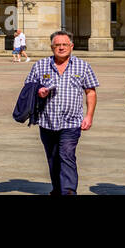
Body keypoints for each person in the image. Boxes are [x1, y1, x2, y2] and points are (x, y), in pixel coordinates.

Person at [22, 30, 98, 195]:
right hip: (47, 121)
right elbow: (28, 87)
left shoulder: (83, 66)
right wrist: (39, 90)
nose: (61, 48)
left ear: (71, 46)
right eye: (57, 45)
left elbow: (90, 92)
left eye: (65, 44)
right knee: (53, 158)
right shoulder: (40, 65)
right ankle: (58, 189)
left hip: (71, 123)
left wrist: (89, 116)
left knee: (67, 155)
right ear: (52, 47)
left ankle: (68, 191)